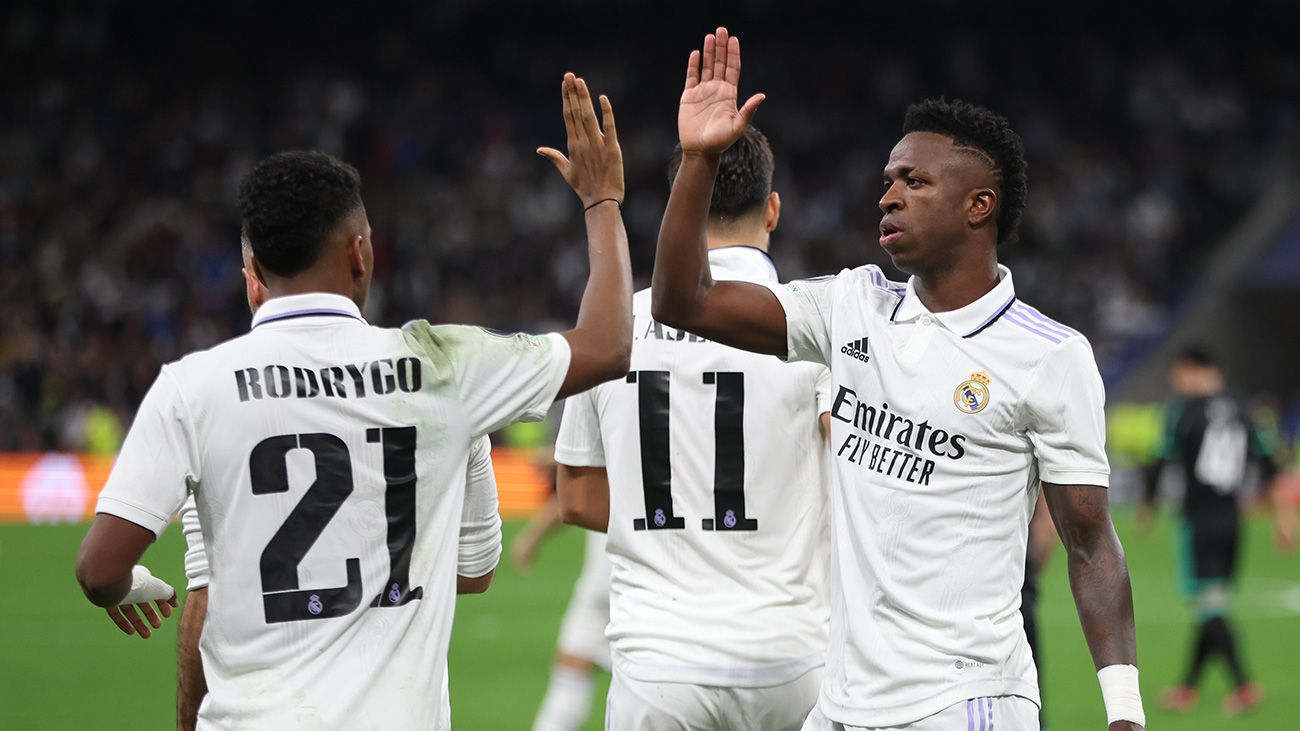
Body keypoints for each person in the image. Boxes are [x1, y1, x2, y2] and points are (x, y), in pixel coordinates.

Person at [74, 72, 632, 729]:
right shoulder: (445, 368)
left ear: (251, 280)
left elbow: (100, 567)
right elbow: (606, 345)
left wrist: (128, 586)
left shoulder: (192, 386)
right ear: (362, 255)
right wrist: (601, 202)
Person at [651, 27, 1145, 730]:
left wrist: (1124, 712)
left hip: (964, 702)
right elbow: (682, 301)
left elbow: (1091, 542)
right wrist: (698, 162)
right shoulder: (852, 305)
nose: (889, 195)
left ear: (979, 205)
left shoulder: (1050, 355)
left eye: (915, 181)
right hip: (843, 704)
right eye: (887, 180)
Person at [556, 124, 833, 731]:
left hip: (660, 662)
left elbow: (575, 498)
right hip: (792, 658)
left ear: (680, 203)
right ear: (774, 209)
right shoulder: (819, 329)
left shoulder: (613, 327)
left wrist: (676, 517)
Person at [1141, 346, 1282, 716]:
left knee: (1210, 609)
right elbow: (1269, 463)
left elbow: (1161, 459)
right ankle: (1188, 688)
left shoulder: (1182, 410)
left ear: (1191, 370)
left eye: (1178, 374)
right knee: (1213, 605)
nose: (1176, 382)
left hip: (1198, 522)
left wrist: (1147, 505)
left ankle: (1244, 685)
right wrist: (1284, 519)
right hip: (1234, 522)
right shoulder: (1243, 406)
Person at [513, 457, 612, 731]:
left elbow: (575, 498)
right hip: (649, 582)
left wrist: (557, 456)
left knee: (568, 686)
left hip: (610, 581)